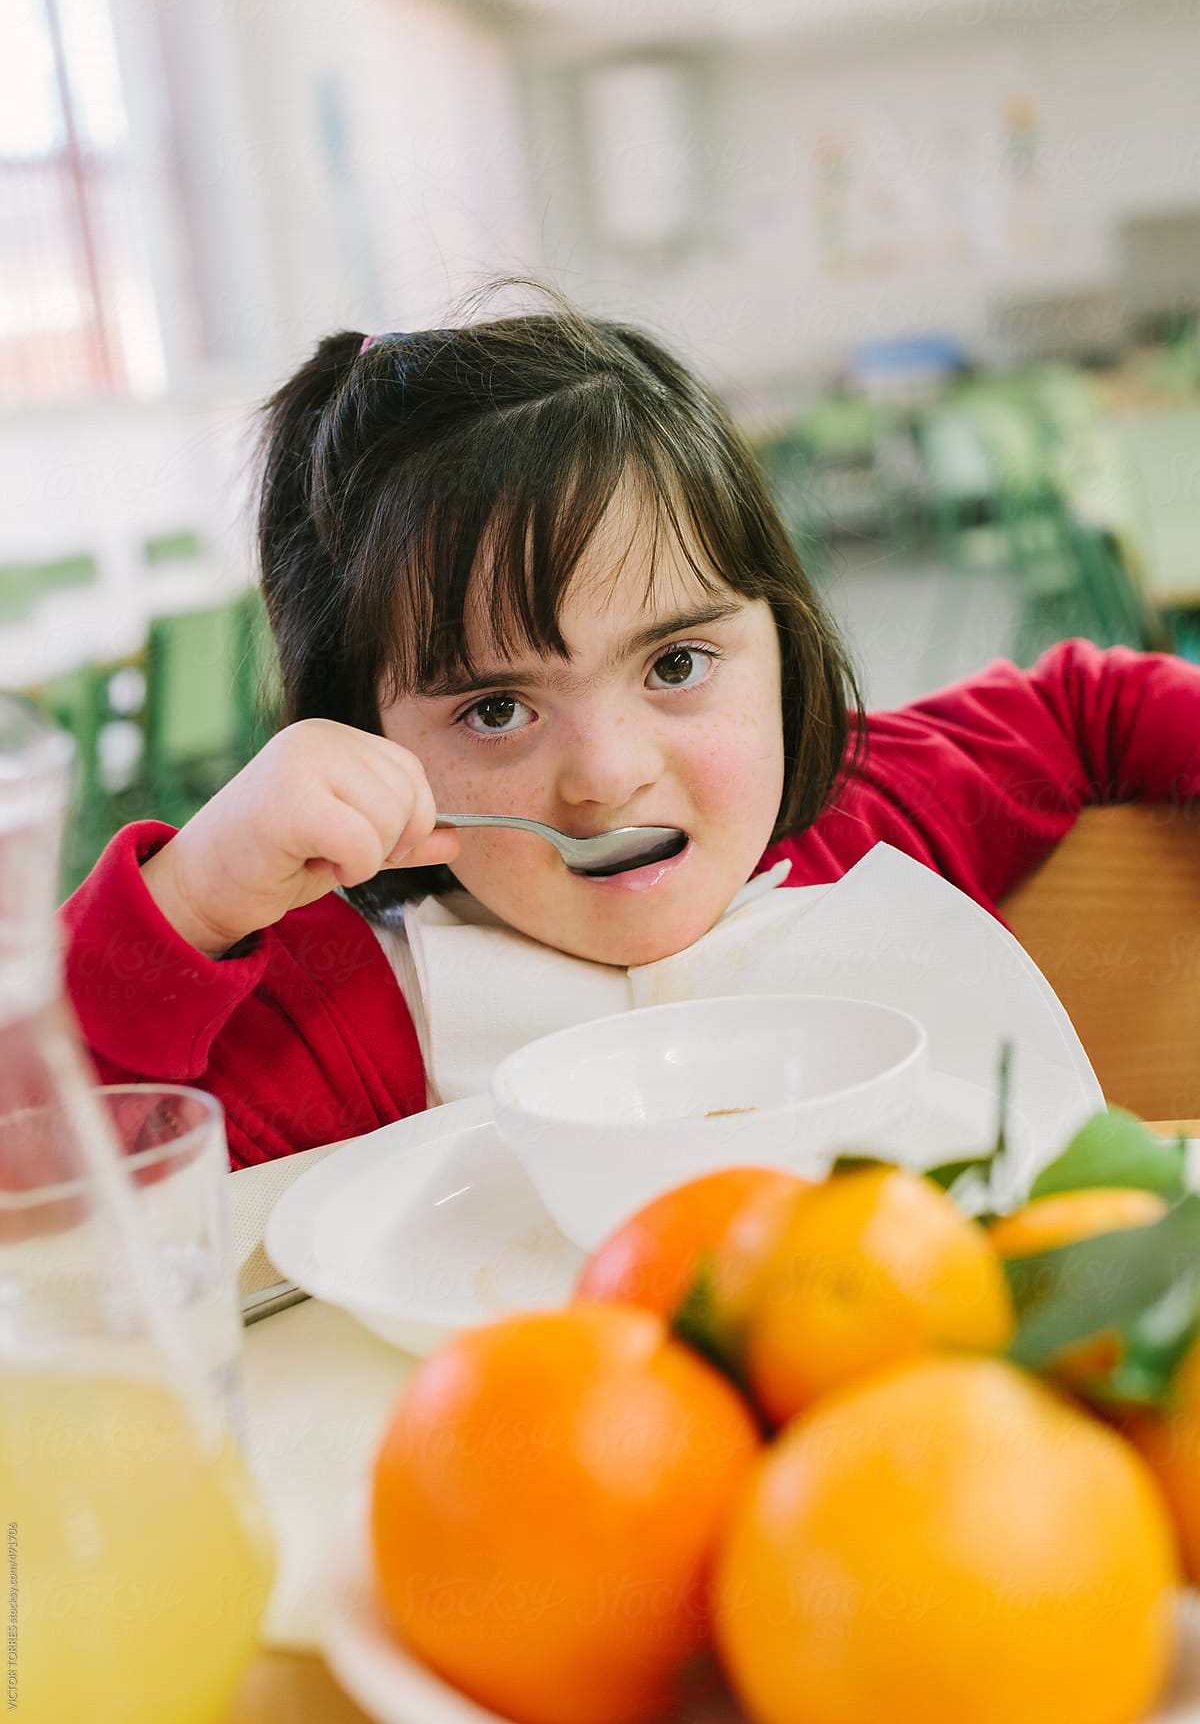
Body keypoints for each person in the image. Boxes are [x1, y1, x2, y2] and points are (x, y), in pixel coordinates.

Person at [62, 302, 1200, 1168]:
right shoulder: (346, 1009)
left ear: (785, 643)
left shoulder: (883, 812)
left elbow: (1088, 705)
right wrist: (192, 901)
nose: (608, 777)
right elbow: (46, 1167)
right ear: (360, 737)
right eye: (496, 709)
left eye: (676, 665)